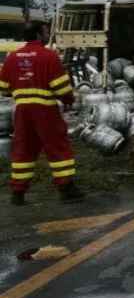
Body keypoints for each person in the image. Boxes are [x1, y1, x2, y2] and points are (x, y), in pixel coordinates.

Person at [0, 22, 85, 205]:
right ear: (38, 35)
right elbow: (61, 86)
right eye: (46, 32)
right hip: (45, 110)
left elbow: (4, 87)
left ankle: (17, 192)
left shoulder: (12, 57)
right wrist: (69, 100)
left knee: (23, 149)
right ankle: (66, 189)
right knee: (57, 146)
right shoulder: (48, 56)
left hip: (21, 111)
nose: (48, 35)